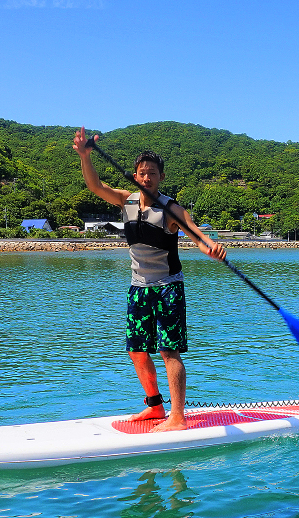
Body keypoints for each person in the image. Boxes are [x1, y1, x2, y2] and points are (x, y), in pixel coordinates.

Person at [73, 126, 227, 432]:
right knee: (137, 350)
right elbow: (94, 185)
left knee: (168, 351)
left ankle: (178, 417)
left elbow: (197, 236)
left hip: (168, 288)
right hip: (138, 289)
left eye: (152, 173)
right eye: (142, 172)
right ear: (134, 175)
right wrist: (85, 156)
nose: (146, 177)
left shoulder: (171, 209)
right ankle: (155, 407)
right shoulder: (125, 201)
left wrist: (210, 247)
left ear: (161, 177)